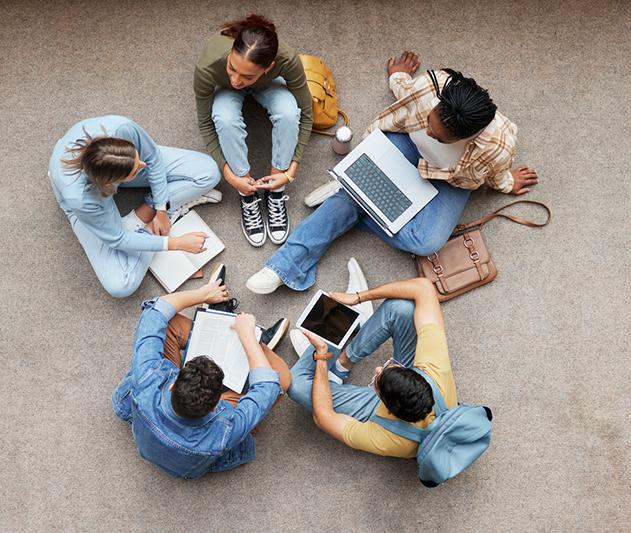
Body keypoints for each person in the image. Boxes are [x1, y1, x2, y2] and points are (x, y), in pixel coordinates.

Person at [246, 51, 539, 294]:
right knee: (363, 199)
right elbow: (406, 92)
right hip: (403, 145)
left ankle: (352, 194)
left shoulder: (498, 146)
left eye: (437, 135)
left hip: (451, 177)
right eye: (428, 121)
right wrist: (398, 76)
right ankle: (284, 265)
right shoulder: (432, 86)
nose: (427, 130)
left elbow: (495, 172)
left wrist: (507, 182)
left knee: (425, 243)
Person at [112, 265, 291, 479]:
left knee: (169, 322)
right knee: (282, 375)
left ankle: (221, 322)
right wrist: (248, 339)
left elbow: (156, 312)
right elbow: (269, 387)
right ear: (217, 404)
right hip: (199, 458)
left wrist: (203, 293)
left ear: (172, 384)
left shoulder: (148, 378)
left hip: (148, 419)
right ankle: (247, 340)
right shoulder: (223, 432)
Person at [49, 115, 222, 297]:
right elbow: (118, 239)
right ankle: (149, 226)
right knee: (121, 285)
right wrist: (174, 243)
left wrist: (161, 208)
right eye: (135, 170)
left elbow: (152, 158)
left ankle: (149, 210)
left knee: (209, 172)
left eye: (137, 157)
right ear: (112, 183)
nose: (143, 165)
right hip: (88, 199)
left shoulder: (122, 128)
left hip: (114, 171)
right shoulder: (81, 199)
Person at [287, 277, 457, 459]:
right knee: (401, 308)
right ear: (419, 375)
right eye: (387, 367)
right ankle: (341, 365)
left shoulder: (388, 439)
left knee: (296, 385)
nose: (377, 369)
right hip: (419, 395)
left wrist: (321, 355)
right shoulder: (435, 367)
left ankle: (334, 335)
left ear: (387, 409)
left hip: (395, 422)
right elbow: (423, 287)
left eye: (378, 380)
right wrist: (359, 297)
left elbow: (323, 417)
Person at [194, 14, 313, 247]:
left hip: (267, 85)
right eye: (232, 67)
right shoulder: (208, 68)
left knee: (290, 113)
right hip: (224, 92)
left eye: (246, 75)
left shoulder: (286, 60)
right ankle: (246, 190)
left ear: (268, 67)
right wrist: (230, 175)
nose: (237, 80)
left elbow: (307, 113)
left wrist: (289, 173)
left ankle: (275, 185)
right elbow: (205, 122)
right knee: (223, 118)